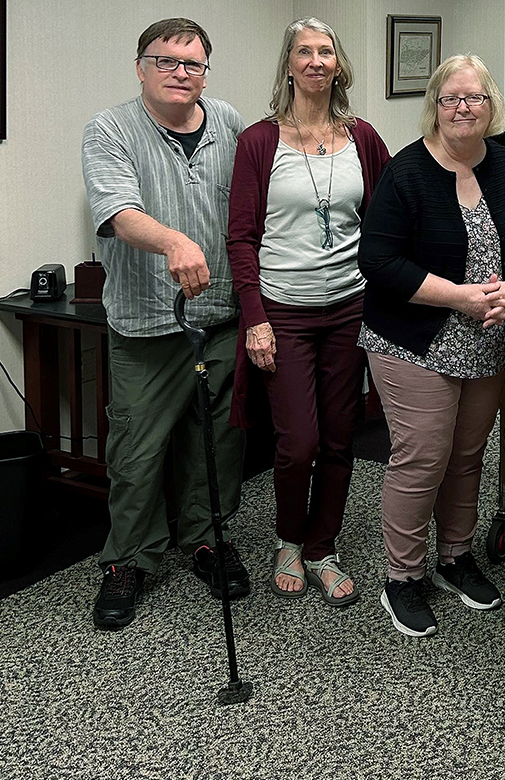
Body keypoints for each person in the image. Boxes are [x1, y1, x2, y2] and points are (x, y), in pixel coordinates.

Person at [358, 55, 505, 637]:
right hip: (413, 339)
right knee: (423, 457)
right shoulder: (406, 172)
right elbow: (378, 262)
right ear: (435, 107)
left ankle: (454, 557)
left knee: (467, 455)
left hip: (486, 336)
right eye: (451, 99)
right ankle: (403, 576)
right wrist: (461, 298)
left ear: (492, 106)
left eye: (475, 98)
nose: (463, 108)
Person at [82, 19, 248, 629]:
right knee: (136, 452)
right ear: (141, 67)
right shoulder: (110, 129)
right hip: (147, 325)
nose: (181, 73)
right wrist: (173, 240)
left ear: (206, 72)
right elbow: (119, 212)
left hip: (220, 318)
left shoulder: (228, 122)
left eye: (193, 64)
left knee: (216, 444)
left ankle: (206, 540)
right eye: (167, 61)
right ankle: (129, 560)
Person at [226, 18, 390, 607]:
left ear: (338, 65)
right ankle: (288, 540)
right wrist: (255, 318)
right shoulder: (259, 141)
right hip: (284, 314)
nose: (316, 61)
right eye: (304, 52)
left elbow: (388, 217)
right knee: (298, 443)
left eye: (326, 51)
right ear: (289, 65)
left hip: (349, 310)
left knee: (341, 438)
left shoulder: (362, 138)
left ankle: (322, 547)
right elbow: (241, 238)